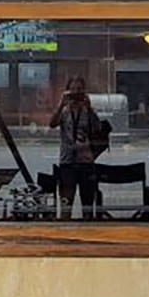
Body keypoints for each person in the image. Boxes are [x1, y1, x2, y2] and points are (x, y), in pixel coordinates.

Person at [49, 76, 103, 219]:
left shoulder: (87, 111)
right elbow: (52, 123)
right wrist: (61, 104)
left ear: (83, 91)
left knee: (87, 203)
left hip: (85, 160)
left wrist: (89, 107)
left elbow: (98, 128)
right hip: (67, 161)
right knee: (66, 201)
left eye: (79, 89)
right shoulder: (65, 111)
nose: (75, 93)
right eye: (72, 89)